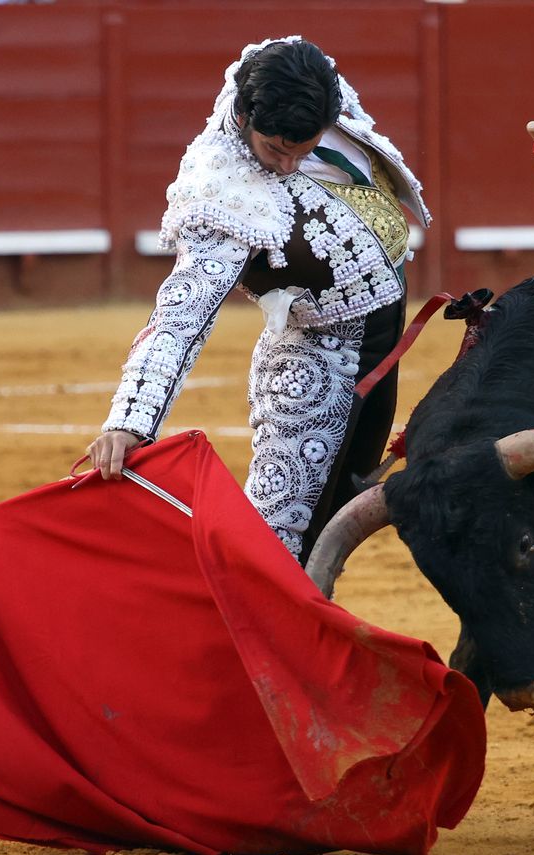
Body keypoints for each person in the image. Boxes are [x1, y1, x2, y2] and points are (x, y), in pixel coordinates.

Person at [85, 36, 427, 564]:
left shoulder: (310, 85)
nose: (289, 165)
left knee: (342, 508)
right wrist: (131, 418)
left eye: (303, 150)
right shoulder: (219, 189)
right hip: (316, 356)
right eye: (275, 150)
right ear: (244, 117)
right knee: (279, 539)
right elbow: (182, 313)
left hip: (381, 333)